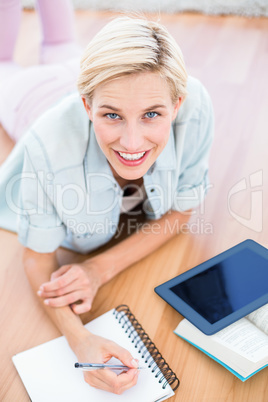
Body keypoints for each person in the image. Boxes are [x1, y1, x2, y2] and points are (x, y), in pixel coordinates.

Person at [0, 15, 214, 394]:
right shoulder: (46, 146)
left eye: (152, 114)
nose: (132, 144)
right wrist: (79, 340)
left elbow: (182, 211)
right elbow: (36, 258)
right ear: (86, 105)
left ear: (177, 104)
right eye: (111, 115)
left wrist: (98, 269)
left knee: (60, 47)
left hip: (83, 74)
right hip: (27, 98)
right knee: (4, 67)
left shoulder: (196, 106)